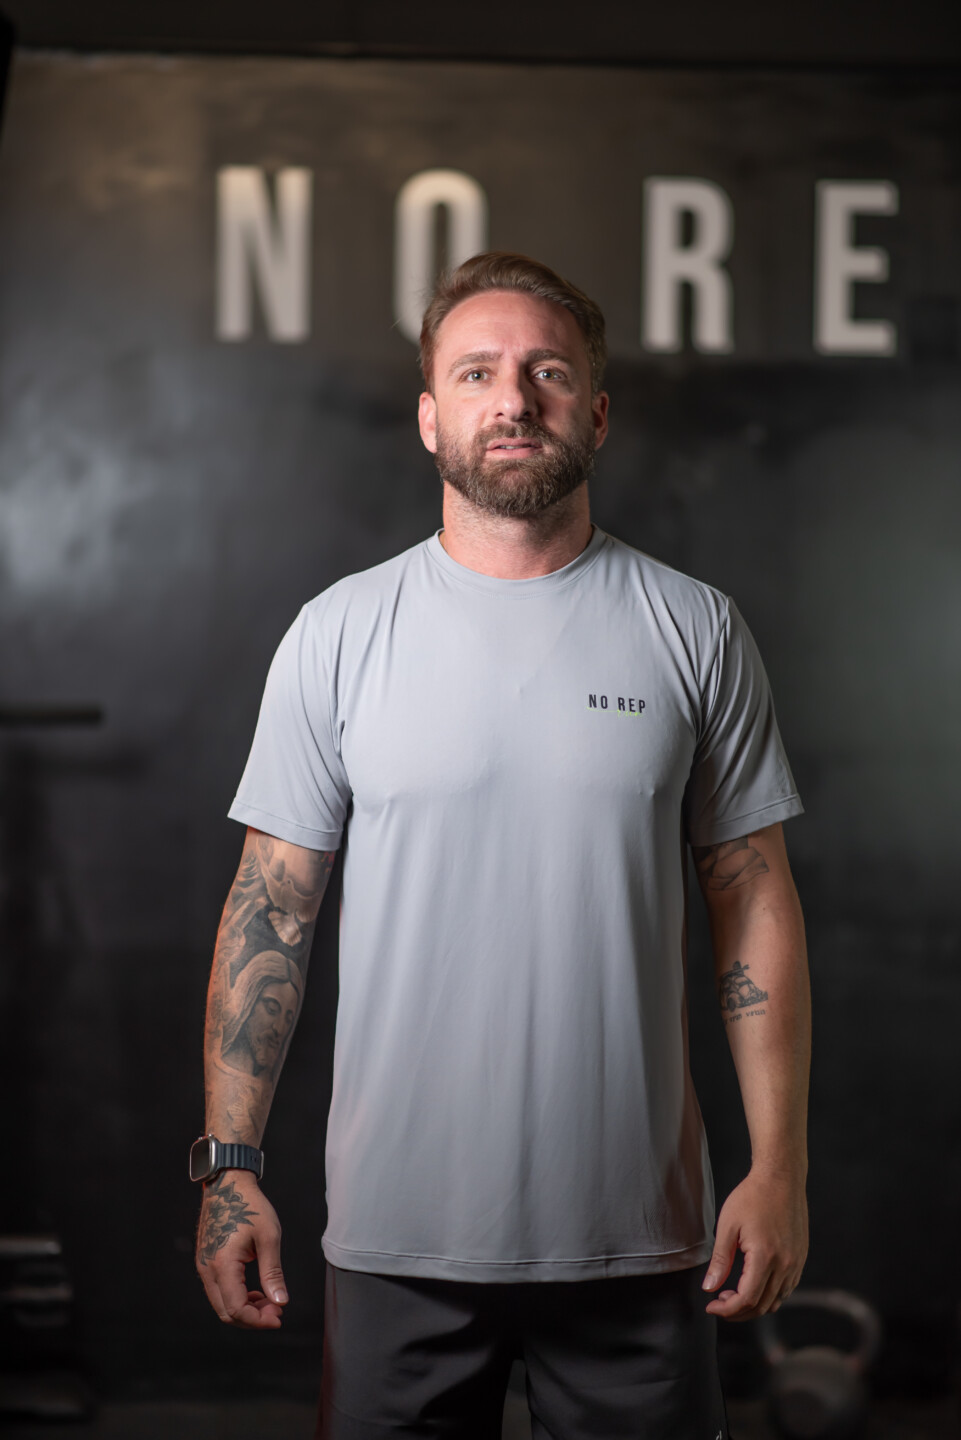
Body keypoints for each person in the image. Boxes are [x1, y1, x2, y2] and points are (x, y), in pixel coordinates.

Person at [193, 252, 810, 1440]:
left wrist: (778, 1167)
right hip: (397, 1241)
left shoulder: (693, 628)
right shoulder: (339, 634)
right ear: (431, 417)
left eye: (547, 372)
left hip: (640, 1242)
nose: (513, 400)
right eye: (476, 373)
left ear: (597, 412)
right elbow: (271, 907)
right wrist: (230, 1167)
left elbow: (753, 901)